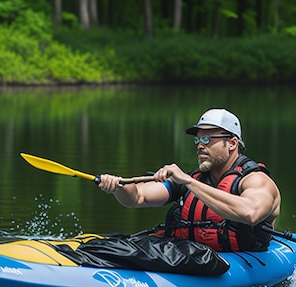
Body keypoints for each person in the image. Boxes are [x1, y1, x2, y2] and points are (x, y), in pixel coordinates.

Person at [97, 108, 281, 252]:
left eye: (208, 139)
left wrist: (189, 183)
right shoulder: (192, 179)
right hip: (191, 257)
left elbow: (251, 213)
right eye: (198, 140)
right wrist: (118, 186)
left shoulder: (256, 181)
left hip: (236, 260)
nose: (200, 145)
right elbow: (138, 198)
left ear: (232, 143)